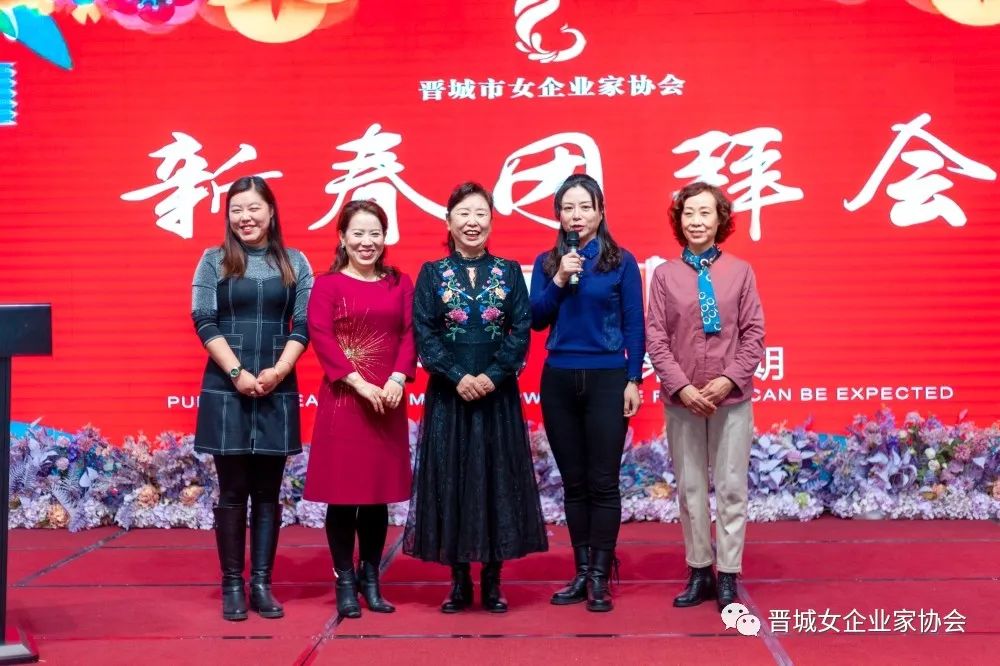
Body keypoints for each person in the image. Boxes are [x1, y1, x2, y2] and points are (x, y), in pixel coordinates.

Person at [403, 181, 548, 614]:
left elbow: (520, 330)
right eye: (463, 214)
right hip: (449, 397)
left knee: (496, 480)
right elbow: (424, 332)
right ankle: (459, 580)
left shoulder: (508, 271)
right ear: (448, 221)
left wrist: (491, 376)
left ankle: (494, 579)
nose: (472, 222)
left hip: (496, 397)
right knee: (453, 481)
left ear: (491, 221)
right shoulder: (432, 273)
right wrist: (457, 376)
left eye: (480, 214)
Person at [191, 175, 313, 621]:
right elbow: (204, 320)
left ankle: (261, 584)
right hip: (228, 383)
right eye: (237, 210)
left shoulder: (295, 261)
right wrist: (237, 373)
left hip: (278, 381)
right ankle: (232, 584)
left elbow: (304, 324)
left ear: (271, 212)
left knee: (267, 492)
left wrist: (280, 370)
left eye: (253, 208)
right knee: (232, 490)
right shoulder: (213, 260)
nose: (245, 217)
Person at [646, 181, 765, 611]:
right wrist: (682, 386)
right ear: (679, 220)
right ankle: (699, 570)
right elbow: (656, 337)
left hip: (732, 400)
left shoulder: (740, 272)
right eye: (689, 213)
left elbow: (754, 333)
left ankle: (728, 573)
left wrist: (729, 380)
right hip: (683, 401)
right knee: (691, 489)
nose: (696, 221)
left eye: (705, 213)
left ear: (720, 220)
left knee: (731, 487)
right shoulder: (665, 276)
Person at [529, 173, 645, 613]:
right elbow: (536, 319)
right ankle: (580, 572)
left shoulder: (621, 262)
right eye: (568, 208)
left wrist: (633, 379)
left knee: (603, 481)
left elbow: (635, 324)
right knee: (573, 483)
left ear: (600, 212)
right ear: (558, 214)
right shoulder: (547, 262)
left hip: (607, 378)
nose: (576, 215)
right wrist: (560, 277)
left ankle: (600, 576)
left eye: (585, 207)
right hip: (559, 378)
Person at [304, 200, 416, 619]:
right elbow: (321, 335)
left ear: (385, 238)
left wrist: (396, 379)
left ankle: (372, 579)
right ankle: (345, 582)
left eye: (375, 233)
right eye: (358, 233)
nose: (367, 242)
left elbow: (411, 333)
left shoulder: (399, 283)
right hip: (345, 400)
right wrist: (357, 382)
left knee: (375, 496)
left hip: (386, 399)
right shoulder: (327, 285)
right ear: (342, 237)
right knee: (343, 497)